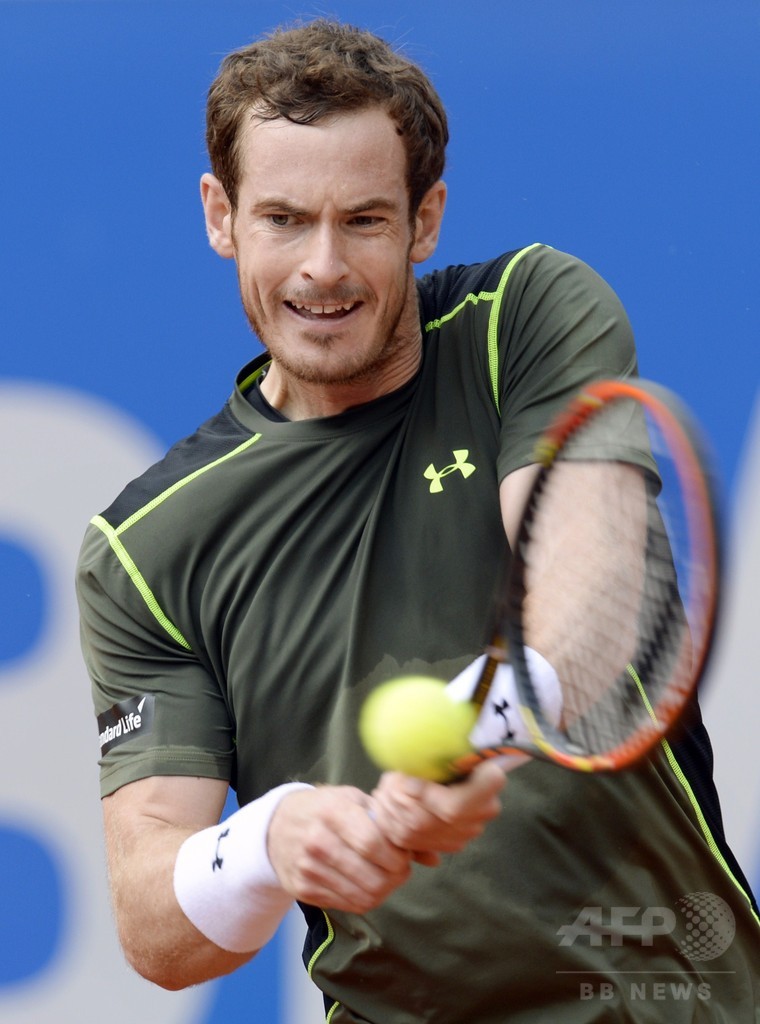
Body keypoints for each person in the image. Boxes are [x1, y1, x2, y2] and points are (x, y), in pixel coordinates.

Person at [76, 18, 760, 1022]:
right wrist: (270, 841)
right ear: (221, 215)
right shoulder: (144, 549)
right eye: (282, 219)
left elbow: (592, 604)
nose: (322, 267)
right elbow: (155, 929)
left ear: (423, 219)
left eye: (363, 220)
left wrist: (471, 728)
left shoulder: (521, 319)